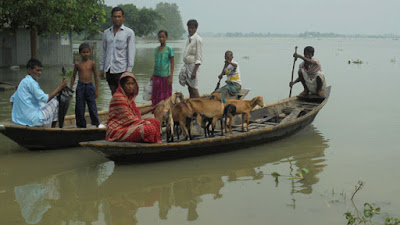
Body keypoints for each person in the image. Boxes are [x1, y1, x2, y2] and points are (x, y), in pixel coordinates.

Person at [10, 59, 67, 127]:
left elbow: (12, 100)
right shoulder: (32, 82)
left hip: (17, 120)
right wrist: (59, 87)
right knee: (55, 101)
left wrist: (20, 114)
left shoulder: (23, 82)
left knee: (42, 103)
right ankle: (52, 129)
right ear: (29, 70)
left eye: (40, 70)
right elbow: (46, 98)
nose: (39, 73)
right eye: (37, 70)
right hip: (33, 120)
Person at [106, 72, 161, 143]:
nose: (131, 86)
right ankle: (147, 142)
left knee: (155, 122)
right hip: (118, 130)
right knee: (150, 129)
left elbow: (136, 112)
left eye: (133, 84)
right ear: (122, 85)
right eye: (128, 84)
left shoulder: (129, 98)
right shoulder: (119, 98)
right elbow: (129, 119)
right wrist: (145, 122)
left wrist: (153, 108)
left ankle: (152, 143)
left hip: (129, 125)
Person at [99, 6, 136, 95]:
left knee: (124, 94)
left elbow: (131, 52)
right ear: (112, 18)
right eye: (115, 16)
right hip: (109, 69)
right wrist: (101, 67)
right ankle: (116, 109)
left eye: (119, 16)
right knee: (114, 93)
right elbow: (103, 51)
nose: (117, 19)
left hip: (122, 69)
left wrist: (129, 70)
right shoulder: (106, 33)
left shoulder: (129, 32)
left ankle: (125, 109)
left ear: (123, 17)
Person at [70, 43, 102, 128]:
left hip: (90, 86)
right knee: (80, 107)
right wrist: (70, 88)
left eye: (87, 52)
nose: (86, 54)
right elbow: (73, 76)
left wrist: (97, 90)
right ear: (80, 53)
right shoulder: (77, 64)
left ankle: (95, 123)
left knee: (92, 106)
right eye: (84, 52)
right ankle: (81, 125)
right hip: (80, 86)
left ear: (90, 53)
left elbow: (95, 76)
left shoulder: (92, 63)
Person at [179, 19, 203, 98]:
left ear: (196, 28)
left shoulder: (198, 39)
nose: (190, 30)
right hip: (187, 65)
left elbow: (199, 57)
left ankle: (198, 104)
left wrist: (194, 72)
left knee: (194, 87)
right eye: (189, 28)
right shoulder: (189, 38)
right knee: (189, 86)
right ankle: (192, 101)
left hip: (193, 66)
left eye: (192, 28)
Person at [151, 30, 175, 106]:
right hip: (156, 75)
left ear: (166, 38)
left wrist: (171, 76)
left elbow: (172, 63)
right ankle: (156, 109)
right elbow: (156, 62)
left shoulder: (169, 49)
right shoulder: (156, 49)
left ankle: (165, 110)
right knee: (156, 94)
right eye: (160, 37)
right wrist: (152, 74)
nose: (161, 39)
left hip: (165, 76)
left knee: (165, 95)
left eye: (163, 37)